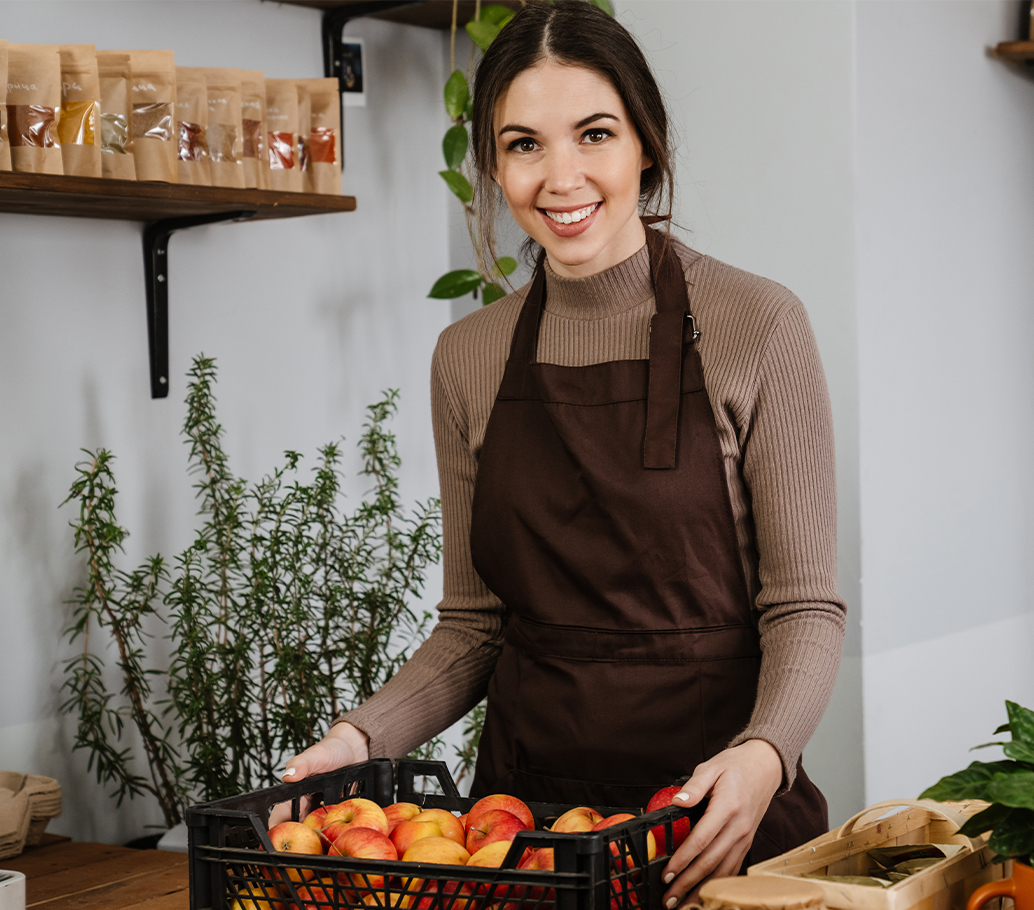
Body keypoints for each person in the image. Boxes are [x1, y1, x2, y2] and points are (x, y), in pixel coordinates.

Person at [282, 3, 845, 906]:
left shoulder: (759, 323)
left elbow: (805, 606)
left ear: (646, 146)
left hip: (711, 819)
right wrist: (358, 740)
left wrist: (763, 757)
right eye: (523, 144)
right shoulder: (467, 356)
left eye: (593, 133)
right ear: (494, 167)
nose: (561, 176)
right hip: (524, 835)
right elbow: (474, 624)